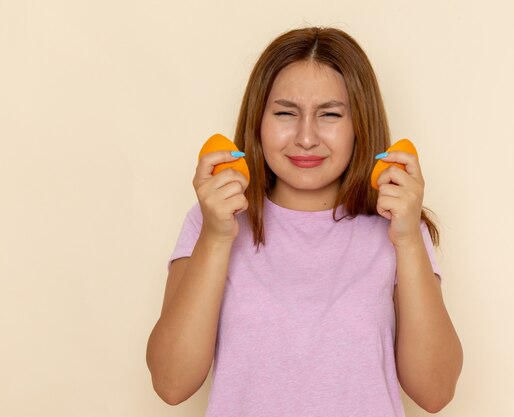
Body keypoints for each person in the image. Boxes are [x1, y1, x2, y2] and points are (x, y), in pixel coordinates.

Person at [146, 26, 463, 416]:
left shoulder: (397, 226)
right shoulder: (210, 221)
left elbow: (435, 391)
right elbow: (171, 383)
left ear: (359, 124)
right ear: (258, 122)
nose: (307, 137)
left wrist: (409, 240)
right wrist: (215, 237)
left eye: (329, 114)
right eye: (285, 113)